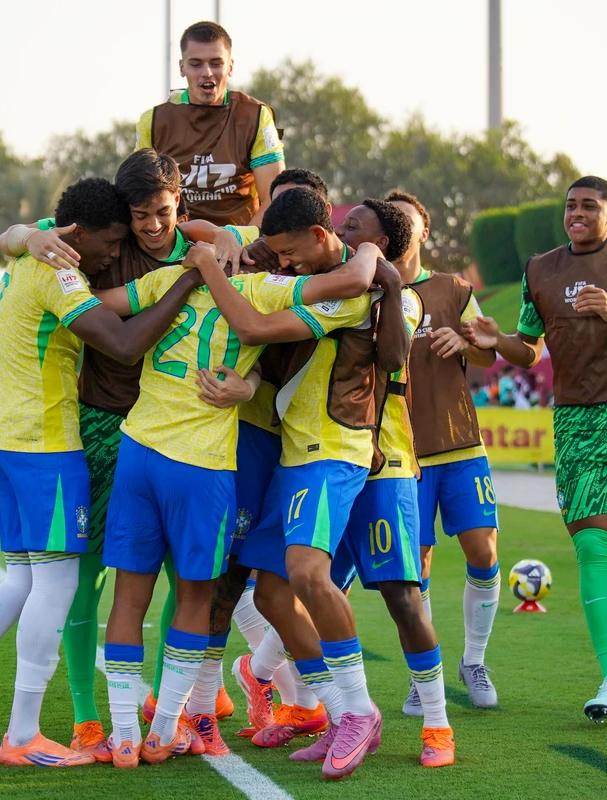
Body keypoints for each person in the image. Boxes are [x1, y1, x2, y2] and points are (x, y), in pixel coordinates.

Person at [0, 177, 211, 769]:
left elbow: (1, 307)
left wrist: (22, 236)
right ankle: (21, 734)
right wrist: (189, 280)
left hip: (6, 437)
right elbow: (122, 345)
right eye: (108, 242)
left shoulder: (25, 258)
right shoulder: (60, 270)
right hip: (46, 443)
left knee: (21, 582)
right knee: (57, 587)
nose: (111, 256)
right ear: (76, 234)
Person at [94, 199, 381, 768]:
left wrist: (36, 256)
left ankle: (126, 733)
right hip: (204, 463)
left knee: (131, 595)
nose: (280, 259)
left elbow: (95, 305)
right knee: (202, 595)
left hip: (142, 449)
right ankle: (168, 727)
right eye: (271, 251)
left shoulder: (166, 279)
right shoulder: (267, 290)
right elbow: (339, 283)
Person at [0, 150, 260, 759]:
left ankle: (180, 708)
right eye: (140, 215)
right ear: (124, 212)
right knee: (86, 576)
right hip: (99, 422)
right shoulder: (99, 241)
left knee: (183, 577)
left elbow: (262, 281)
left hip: (184, 434)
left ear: (179, 204)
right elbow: (14, 237)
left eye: (162, 213)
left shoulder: (210, 248)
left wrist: (220, 235)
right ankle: (88, 718)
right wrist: (24, 236)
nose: (150, 227)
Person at [464, 176, 607, 723]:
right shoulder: (540, 270)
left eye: (588, 206)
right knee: (594, 551)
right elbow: (529, 349)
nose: (576, 213)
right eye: (570, 205)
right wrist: (497, 341)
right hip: (576, 424)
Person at [204, 187, 397, 779]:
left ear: (319, 235)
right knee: (268, 595)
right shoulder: (320, 272)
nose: (284, 263)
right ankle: (338, 712)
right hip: (295, 452)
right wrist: (224, 237)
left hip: (332, 449)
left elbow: (254, 327)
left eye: (290, 253)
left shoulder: (350, 286)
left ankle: (359, 710)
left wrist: (209, 266)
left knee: (309, 573)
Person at [331, 197, 457, 766]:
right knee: (303, 588)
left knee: (402, 598)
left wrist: (385, 283)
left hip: (387, 466)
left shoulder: (403, 300)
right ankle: (327, 710)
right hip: (327, 460)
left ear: (380, 244)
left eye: (354, 226)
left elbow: (390, 358)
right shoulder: (329, 284)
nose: (341, 230)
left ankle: (437, 725)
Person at [386, 189, 502, 717]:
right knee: (418, 568)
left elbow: (490, 352)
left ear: (423, 231)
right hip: (402, 453)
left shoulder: (455, 289)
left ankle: (473, 661)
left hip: (460, 445)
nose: (400, 227)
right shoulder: (371, 288)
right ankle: (423, 675)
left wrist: (466, 342)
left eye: (406, 219)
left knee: (484, 552)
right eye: (391, 220)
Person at [134, 21, 285, 226]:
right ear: (182, 67)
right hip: (174, 238)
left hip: (242, 240)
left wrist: (237, 238)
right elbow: (137, 195)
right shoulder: (153, 121)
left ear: (230, 66)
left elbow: (275, 198)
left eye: (216, 63)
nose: (206, 72)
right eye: (196, 64)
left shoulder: (256, 116)